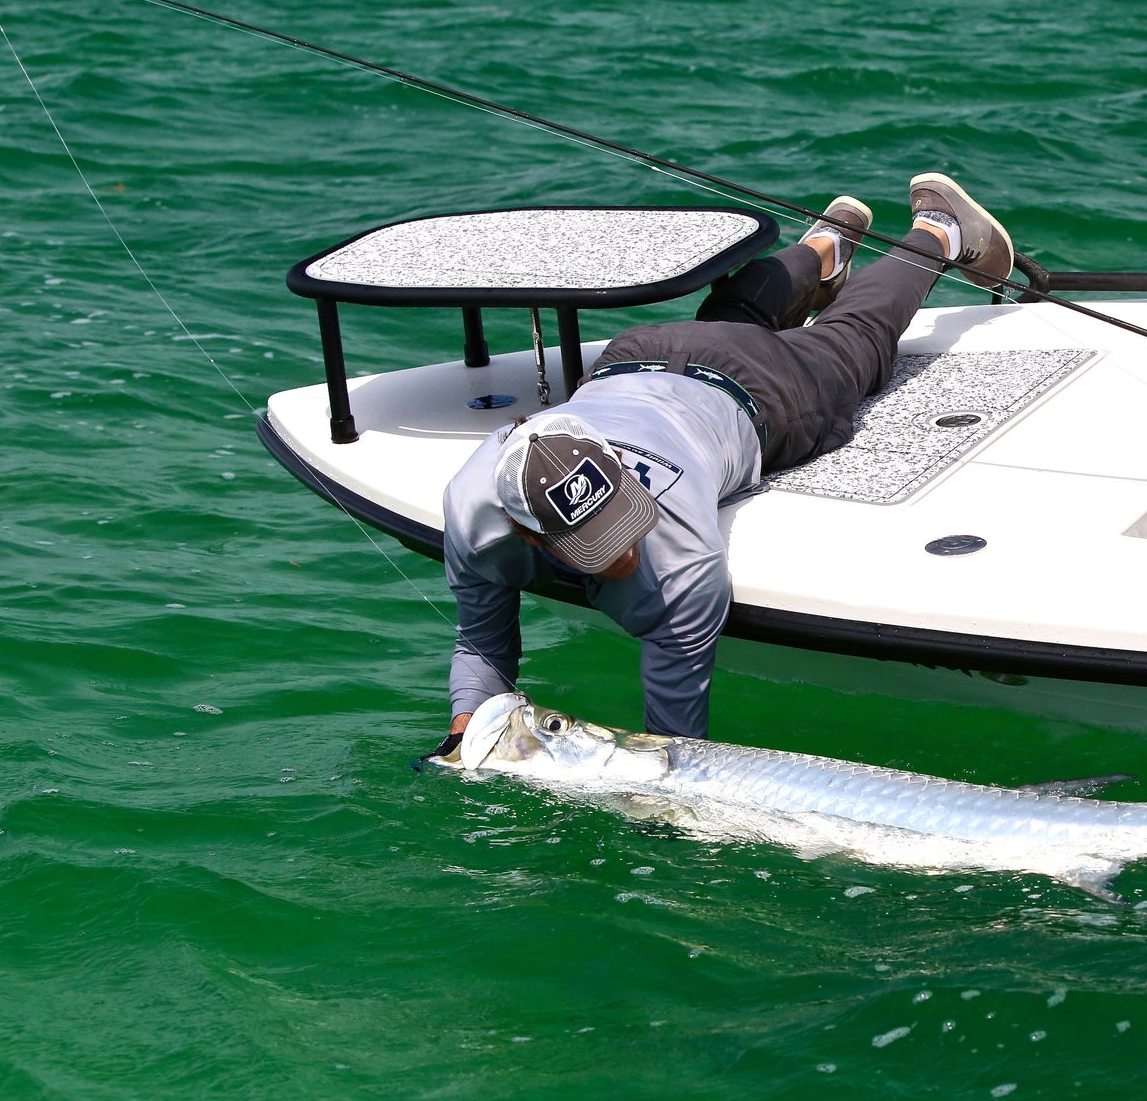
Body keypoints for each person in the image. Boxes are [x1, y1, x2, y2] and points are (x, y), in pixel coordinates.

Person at [431, 173, 1013, 754]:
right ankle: (824, 246)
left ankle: (940, 229)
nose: (629, 553)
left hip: (762, 390)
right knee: (728, 318)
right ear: (529, 535)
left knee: (854, 339)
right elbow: (481, 641)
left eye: (624, 518)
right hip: (638, 352)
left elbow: (675, 748)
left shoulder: (682, 564)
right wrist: (462, 736)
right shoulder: (473, 508)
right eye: (599, 546)